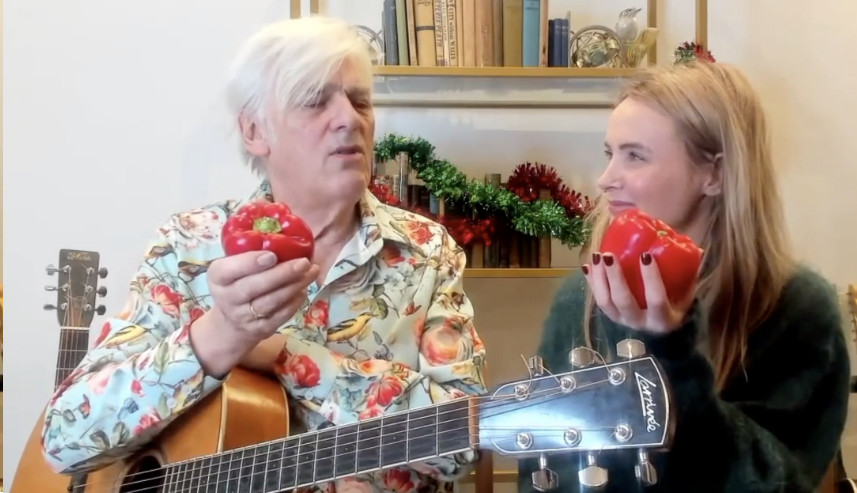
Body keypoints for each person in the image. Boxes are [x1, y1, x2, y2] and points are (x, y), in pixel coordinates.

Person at [40, 16, 487, 493]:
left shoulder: (427, 251)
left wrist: (285, 356)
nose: (350, 118)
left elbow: (463, 441)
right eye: (315, 100)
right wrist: (220, 336)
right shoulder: (187, 246)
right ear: (255, 130)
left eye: (360, 101)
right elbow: (65, 440)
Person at [518, 61, 850, 493]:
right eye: (609, 153)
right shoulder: (581, 297)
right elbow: (543, 470)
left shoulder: (798, 308)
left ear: (714, 174)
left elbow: (777, 482)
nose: (605, 179)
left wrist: (672, 354)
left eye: (635, 156)